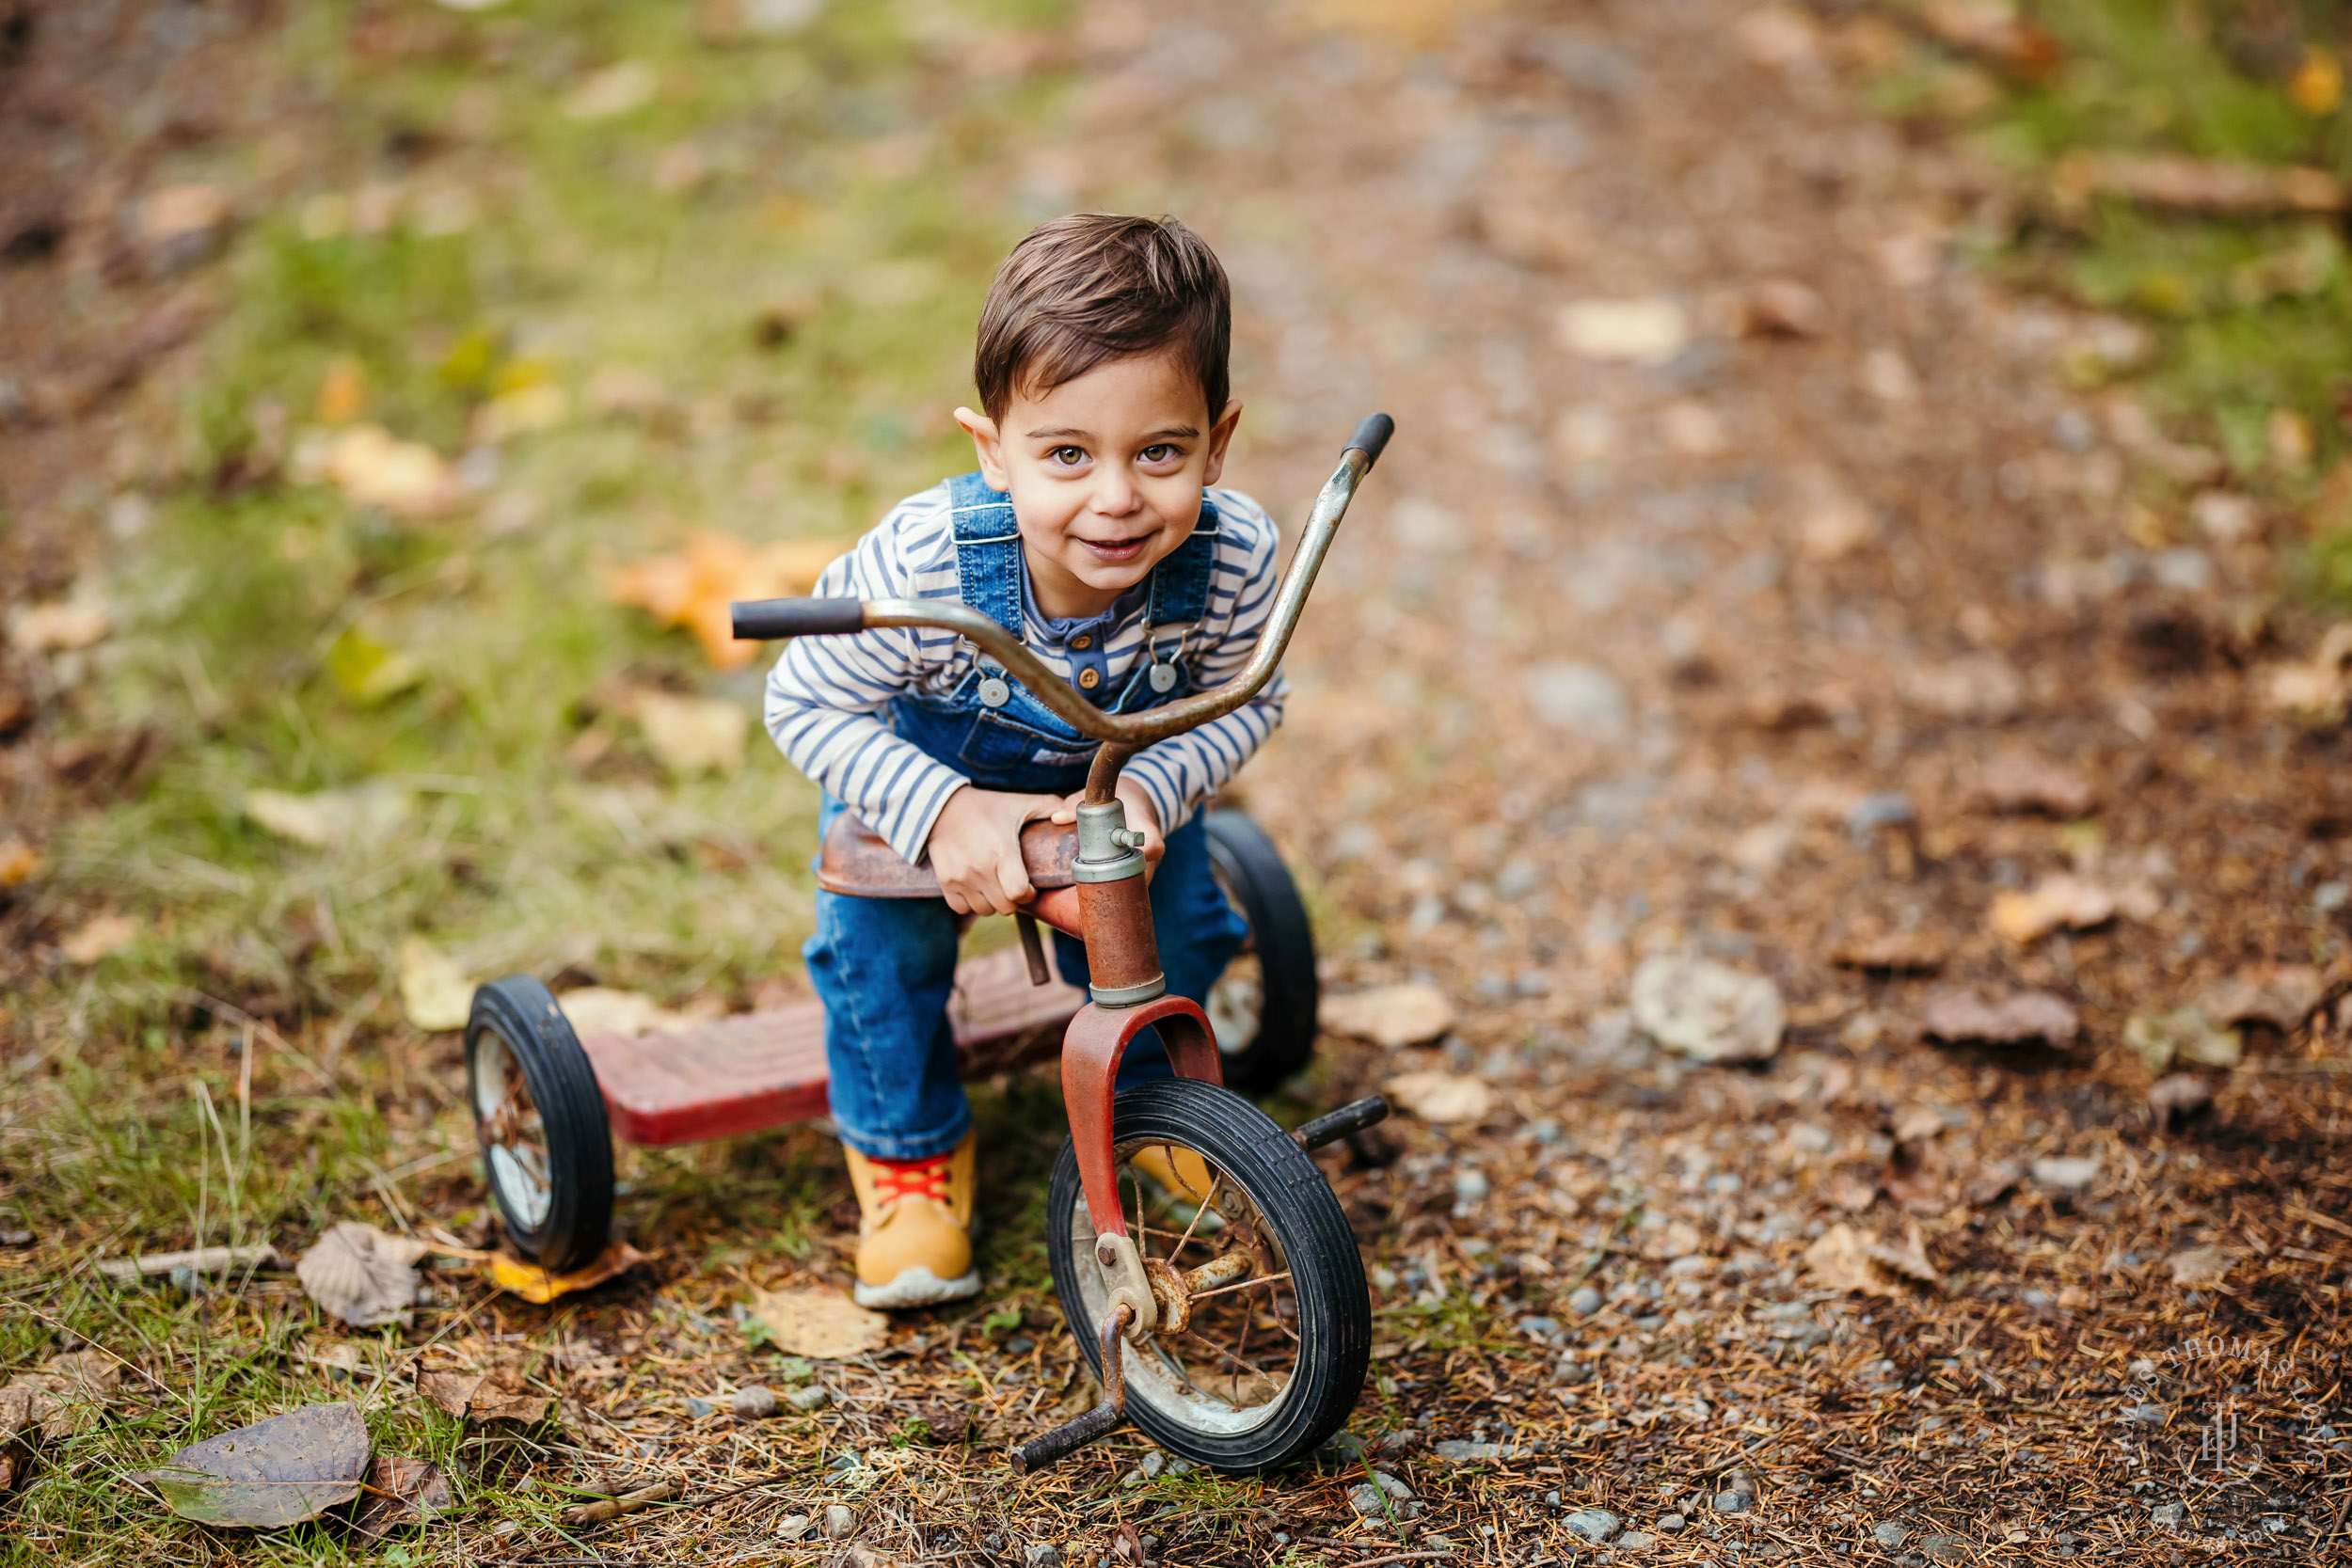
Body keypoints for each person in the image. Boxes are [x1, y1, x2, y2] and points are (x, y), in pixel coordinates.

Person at [762, 214, 1285, 1308]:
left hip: (1116, 794)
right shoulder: (926, 564)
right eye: (1066, 454)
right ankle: (906, 1152)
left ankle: (1158, 1107)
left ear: (1217, 440)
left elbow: (1248, 699)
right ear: (992, 448)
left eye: (1159, 451)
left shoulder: (1234, 556)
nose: (1115, 497)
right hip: (920, 778)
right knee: (880, 953)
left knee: (1177, 928)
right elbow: (802, 698)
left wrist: (1153, 785)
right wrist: (944, 812)